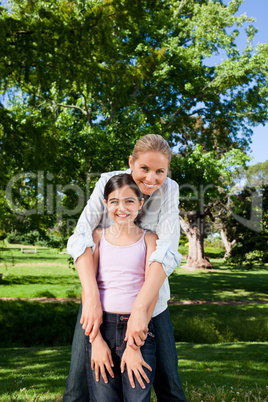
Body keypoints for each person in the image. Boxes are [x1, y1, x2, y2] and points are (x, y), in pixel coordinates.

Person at [64, 134, 187, 402]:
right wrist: (92, 299)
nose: (152, 179)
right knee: (76, 388)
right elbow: (82, 237)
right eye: (144, 168)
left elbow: (165, 253)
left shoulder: (170, 190)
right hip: (103, 305)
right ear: (131, 162)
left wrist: (141, 311)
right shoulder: (108, 182)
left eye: (160, 171)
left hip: (152, 301)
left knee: (170, 385)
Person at [85, 173, 158, 401]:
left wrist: (135, 346)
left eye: (129, 201)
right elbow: (89, 291)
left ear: (140, 203)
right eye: (114, 201)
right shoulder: (97, 237)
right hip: (102, 327)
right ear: (106, 204)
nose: (122, 207)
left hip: (138, 329)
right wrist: (95, 340)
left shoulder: (150, 239)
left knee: (137, 397)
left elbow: (152, 290)